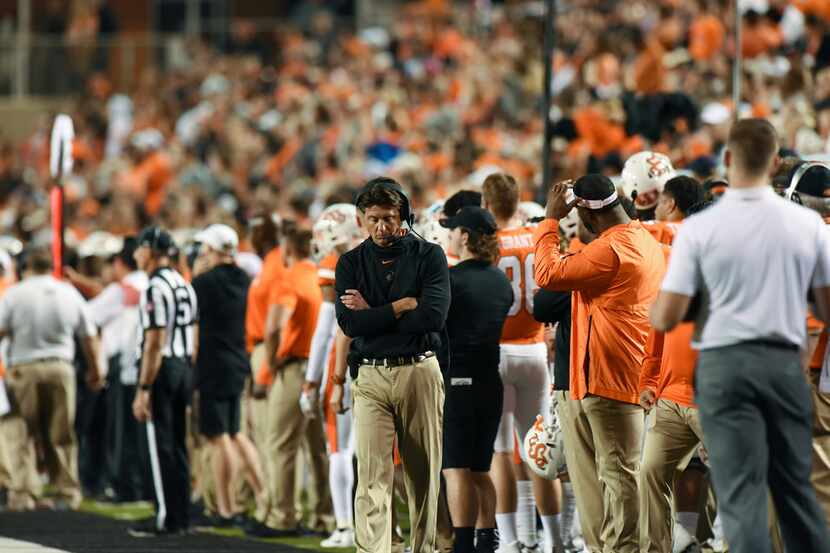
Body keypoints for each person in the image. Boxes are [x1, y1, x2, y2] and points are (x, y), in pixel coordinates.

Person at [650, 118, 830, 553]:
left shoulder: (699, 229)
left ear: (728, 159)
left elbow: (666, 315)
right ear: (773, 165)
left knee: (742, 492)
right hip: (783, 363)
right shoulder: (806, 226)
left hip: (723, 367)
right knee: (795, 486)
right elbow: (826, 308)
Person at [534, 174, 666, 553]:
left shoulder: (611, 249)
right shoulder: (642, 238)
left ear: (589, 217)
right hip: (625, 369)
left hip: (610, 375)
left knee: (617, 475)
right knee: (614, 475)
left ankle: (621, 549)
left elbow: (547, 275)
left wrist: (549, 221)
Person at [332, 176, 449, 553]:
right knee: (371, 476)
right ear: (361, 219)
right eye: (373, 219)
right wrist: (400, 306)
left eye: (388, 218)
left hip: (419, 369)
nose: (381, 227)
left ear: (404, 216)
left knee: (423, 476)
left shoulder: (429, 254)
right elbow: (350, 323)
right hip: (370, 373)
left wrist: (374, 313)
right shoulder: (349, 263)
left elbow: (433, 317)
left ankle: (423, 549)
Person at [481, 172, 562, 553]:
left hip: (496, 351)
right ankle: (556, 541)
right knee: (539, 449)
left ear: (486, 205)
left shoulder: (488, 243)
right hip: (534, 350)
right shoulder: (535, 237)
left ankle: (511, 541)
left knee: (500, 451)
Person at [0, 246, 103, 511]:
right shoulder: (68, 293)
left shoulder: (15, 294)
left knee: (20, 433)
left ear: (25, 268)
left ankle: (23, 494)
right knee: (62, 434)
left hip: (23, 369)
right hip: (61, 368)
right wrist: (95, 370)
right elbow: (88, 336)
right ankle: (67, 493)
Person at [637, 176, 708, 553]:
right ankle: (659, 548)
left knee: (740, 481)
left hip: (713, 399)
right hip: (670, 398)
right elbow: (657, 333)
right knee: (648, 471)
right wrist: (649, 379)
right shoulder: (678, 270)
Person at [439, 206, 513, 553]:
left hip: (459, 380)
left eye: (453, 230)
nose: (450, 235)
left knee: (456, 468)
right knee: (481, 468)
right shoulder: (500, 280)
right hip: (490, 380)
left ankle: (464, 544)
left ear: (465, 236)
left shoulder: (453, 281)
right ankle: (488, 538)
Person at [190, 224, 268, 527]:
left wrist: (197, 272)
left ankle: (225, 506)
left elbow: (192, 323)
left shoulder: (204, 282)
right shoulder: (244, 278)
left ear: (210, 250)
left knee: (218, 437)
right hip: (238, 360)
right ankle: (262, 494)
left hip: (212, 364)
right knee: (236, 434)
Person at [256, 226, 332, 535]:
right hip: (320, 368)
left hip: (294, 369)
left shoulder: (287, 278)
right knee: (319, 448)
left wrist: (271, 361)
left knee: (281, 444)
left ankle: (283, 517)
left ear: (288, 249)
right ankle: (326, 517)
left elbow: (274, 326)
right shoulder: (319, 275)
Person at [302, 203, 365, 548]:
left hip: (343, 365)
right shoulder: (379, 257)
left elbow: (326, 330)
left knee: (339, 449)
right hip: (379, 362)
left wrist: (311, 379)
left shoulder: (334, 265)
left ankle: (344, 525)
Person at [128, 226, 199, 537]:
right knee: (179, 445)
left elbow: (155, 341)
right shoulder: (183, 283)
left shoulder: (155, 287)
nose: (135, 254)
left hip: (163, 367)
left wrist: (143, 388)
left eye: (139, 248)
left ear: (151, 251)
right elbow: (194, 335)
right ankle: (181, 515)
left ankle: (167, 517)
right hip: (183, 365)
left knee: (162, 447)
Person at [86, 237, 149, 503]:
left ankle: (125, 487)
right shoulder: (152, 283)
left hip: (123, 364)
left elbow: (87, 315)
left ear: (120, 263)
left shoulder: (122, 288)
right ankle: (144, 486)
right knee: (144, 432)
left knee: (121, 431)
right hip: (150, 363)